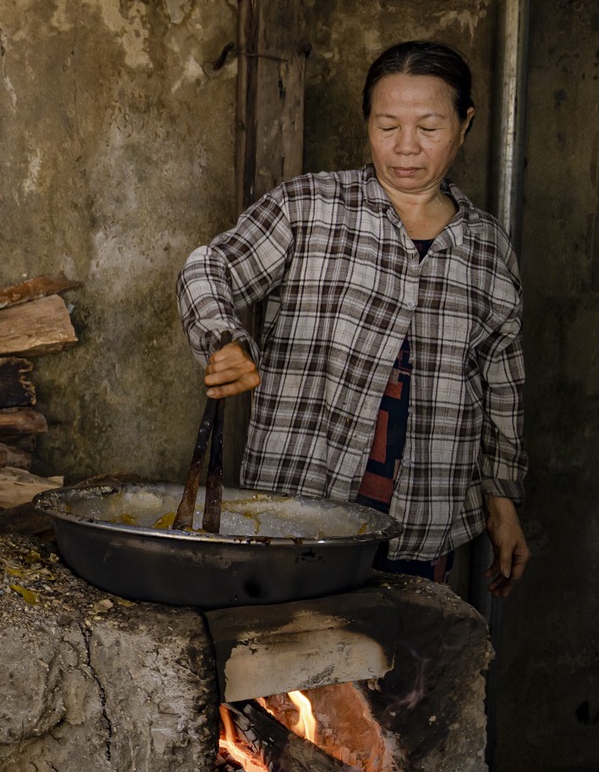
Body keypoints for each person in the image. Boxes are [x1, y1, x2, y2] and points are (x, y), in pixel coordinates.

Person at [176, 40, 528, 592]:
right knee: (285, 660)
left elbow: (501, 390)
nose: (406, 147)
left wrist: (502, 502)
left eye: (429, 127)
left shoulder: (489, 250)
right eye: (387, 125)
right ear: (367, 123)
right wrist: (223, 338)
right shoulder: (308, 207)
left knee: (401, 665)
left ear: (465, 124)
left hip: (424, 522)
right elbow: (210, 266)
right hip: (297, 514)